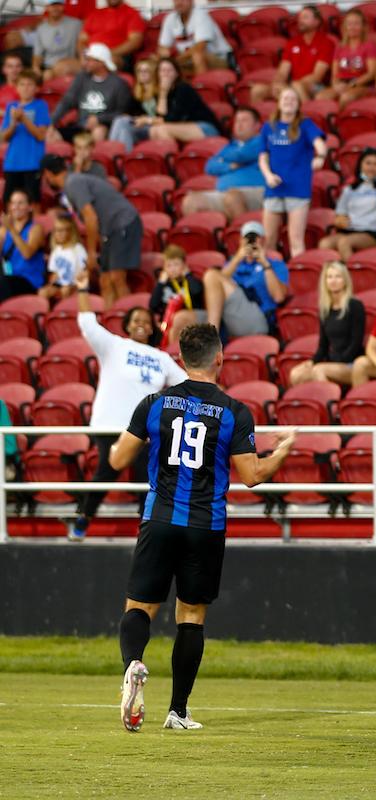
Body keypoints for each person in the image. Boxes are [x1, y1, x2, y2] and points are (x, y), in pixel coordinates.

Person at [110, 323, 297, 733]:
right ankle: (178, 710)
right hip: (205, 525)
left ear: (180, 358)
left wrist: (117, 446)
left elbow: (119, 458)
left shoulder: (154, 403)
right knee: (191, 616)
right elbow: (252, 475)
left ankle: (133, 665)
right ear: (219, 358)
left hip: (158, 518)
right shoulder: (235, 411)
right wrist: (283, 451)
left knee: (140, 606)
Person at [67, 270, 188, 542]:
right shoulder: (113, 346)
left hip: (144, 431)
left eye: (147, 321)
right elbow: (87, 323)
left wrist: (217, 390)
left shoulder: (161, 358)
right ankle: (83, 518)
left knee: (146, 478)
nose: (142, 324)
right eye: (136, 320)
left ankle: (147, 529)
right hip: (110, 423)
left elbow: (187, 383)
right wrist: (84, 289)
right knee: (106, 472)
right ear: (128, 325)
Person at [42, 153, 140, 305]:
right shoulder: (73, 182)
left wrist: (92, 253)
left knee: (116, 278)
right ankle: (109, 322)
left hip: (123, 223)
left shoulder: (73, 183)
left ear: (47, 174)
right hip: (111, 230)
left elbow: (91, 217)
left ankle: (128, 319)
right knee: (105, 280)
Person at [258, 86, 328, 259]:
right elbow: (263, 156)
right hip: (274, 188)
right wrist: (268, 176)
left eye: (293, 99)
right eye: (285, 99)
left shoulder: (305, 125)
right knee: (269, 239)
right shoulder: (269, 127)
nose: (289, 102)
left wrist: (321, 156)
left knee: (295, 239)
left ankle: (298, 275)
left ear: (298, 104)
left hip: (297, 187)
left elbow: (320, 144)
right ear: (279, 103)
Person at [202, 221, 290, 338]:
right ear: (240, 241)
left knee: (212, 275)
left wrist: (265, 264)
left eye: (255, 238)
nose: (251, 242)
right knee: (183, 319)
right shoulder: (233, 263)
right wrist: (237, 259)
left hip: (258, 317)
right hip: (229, 316)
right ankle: (211, 333)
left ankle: (211, 337)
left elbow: (279, 297)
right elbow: (214, 287)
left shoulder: (276, 265)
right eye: (247, 238)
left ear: (264, 240)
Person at [180, 107, 265, 221]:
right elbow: (210, 166)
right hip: (224, 193)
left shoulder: (262, 141)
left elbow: (241, 155)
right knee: (191, 201)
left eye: (244, 120)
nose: (239, 125)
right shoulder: (231, 146)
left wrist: (224, 158)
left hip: (255, 191)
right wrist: (230, 166)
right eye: (237, 121)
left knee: (233, 198)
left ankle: (247, 236)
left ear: (257, 125)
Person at [289, 261, 366, 388]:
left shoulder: (355, 305)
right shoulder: (325, 309)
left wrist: (336, 362)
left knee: (319, 370)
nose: (333, 281)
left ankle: (331, 405)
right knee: (296, 374)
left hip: (351, 363)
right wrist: (312, 362)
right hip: (332, 362)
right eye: (329, 277)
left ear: (345, 281)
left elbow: (356, 343)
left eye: (338, 276)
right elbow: (323, 346)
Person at [318, 149, 376, 260]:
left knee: (345, 242)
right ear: (360, 165)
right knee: (325, 243)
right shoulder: (349, 189)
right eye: (368, 163)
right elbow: (340, 215)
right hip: (350, 230)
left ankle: (350, 275)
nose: (371, 167)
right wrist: (338, 222)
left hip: (372, 232)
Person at [48, 44, 131, 143]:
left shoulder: (119, 84)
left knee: (99, 131)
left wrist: (99, 119)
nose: (85, 63)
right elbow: (67, 101)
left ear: (101, 63)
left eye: (89, 60)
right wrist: (51, 123)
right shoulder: (81, 77)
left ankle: (95, 157)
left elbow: (123, 113)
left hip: (104, 128)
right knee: (50, 134)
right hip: (80, 126)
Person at [250, 6, 334, 104]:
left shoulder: (326, 43)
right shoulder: (293, 42)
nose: (300, 21)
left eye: (305, 17)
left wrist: (290, 87)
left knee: (297, 86)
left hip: (314, 86)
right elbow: (283, 71)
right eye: (300, 18)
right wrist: (277, 83)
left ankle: (306, 117)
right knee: (257, 90)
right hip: (292, 85)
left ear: (317, 22)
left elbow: (317, 76)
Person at [141, 57, 222, 145]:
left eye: (169, 70)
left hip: (204, 126)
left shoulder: (183, 88)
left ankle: (171, 156)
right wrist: (163, 93)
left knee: (162, 129)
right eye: (163, 71)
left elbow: (174, 118)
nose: (166, 74)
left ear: (176, 74)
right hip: (183, 127)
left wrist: (148, 120)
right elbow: (161, 116)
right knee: (153, 130)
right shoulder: (161, 93)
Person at [2, 68, 49, 210]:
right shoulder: (11, 106)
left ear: (36, 88)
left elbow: (41, 135)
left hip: (32, 162)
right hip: (13, 162)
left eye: (29, 84)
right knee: (9, 202)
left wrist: (24, 119)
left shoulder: (40, 105)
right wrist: (14, 123)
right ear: (16, 87)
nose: (25, 88)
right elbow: (4, 137)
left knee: (33, 202)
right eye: (22, 84)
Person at [314, 10, 376, 108]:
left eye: (356, 24)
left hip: (362, 84)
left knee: (346, 97)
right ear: (345, 27)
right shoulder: (340, 47)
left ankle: (339, 122)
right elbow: (334, 74)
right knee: (320, 97)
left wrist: (352, 84)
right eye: (349, 24)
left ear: (364, 27)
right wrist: (335, 86)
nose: (352, 27)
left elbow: (372, 73)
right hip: (342, 82)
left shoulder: (369, 45)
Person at [156, 0, 232, 76]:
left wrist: (176, 60)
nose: (179, 3)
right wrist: (163, 53)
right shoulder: (170, 18)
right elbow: (163, 46)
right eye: (176, 0)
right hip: (187, 59)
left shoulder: (200, 15)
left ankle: (201, 85)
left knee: (198, 57)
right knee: (156, 63)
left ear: (191, 1)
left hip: (219, 58)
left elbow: (199, 49)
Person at [150, 245, 206, 343]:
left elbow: (197, 291)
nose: (173, 269)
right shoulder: (164, 285)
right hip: (167, 323)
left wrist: (188, 274)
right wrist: (161, 282)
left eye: (176, 264)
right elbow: (153, 305)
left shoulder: (190, 281)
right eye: (168, 265)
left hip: (189, 321)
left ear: (184, 265)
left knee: (174, 328)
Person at [0, 189, 46, 299]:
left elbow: (27, 253)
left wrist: (12, 229)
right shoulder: (3, 230)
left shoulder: (36, 228)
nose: (16, 207)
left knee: (3, 283)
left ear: (30, 207)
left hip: (29, 280)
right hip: (8, 277)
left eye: (20, 203)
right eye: (13, 203)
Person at [79, 0, 145, 73]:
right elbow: (82, 40)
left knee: (109, 62)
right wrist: (82, 56)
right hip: (90, 55)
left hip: (117, 56)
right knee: (65, 66)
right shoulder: (95, 14)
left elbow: (135, 42)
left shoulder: (132, 13)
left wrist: (107, 54)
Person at [32, 0, 83, 81]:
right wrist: (36, 68)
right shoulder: (41, 29)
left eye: (58, 5)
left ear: (63, 7)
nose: (55, 9)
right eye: (52, 6)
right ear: (47, 8)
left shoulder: (75, 24)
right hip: (49, 66)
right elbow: (38, 55)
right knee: (46, 75)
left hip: (70, 64)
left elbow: (82, 45)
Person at [41, 213, 87, 301]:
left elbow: (84, 269)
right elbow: (54, 272)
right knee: (43, 292)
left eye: (62, 231)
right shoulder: (56, 250)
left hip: (74, 284)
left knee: (65, 290)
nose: (58, 234)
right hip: (60, 284)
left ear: (70, 232)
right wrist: (52, 281)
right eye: (56, 230)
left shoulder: (78, 249)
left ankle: (65, 311)